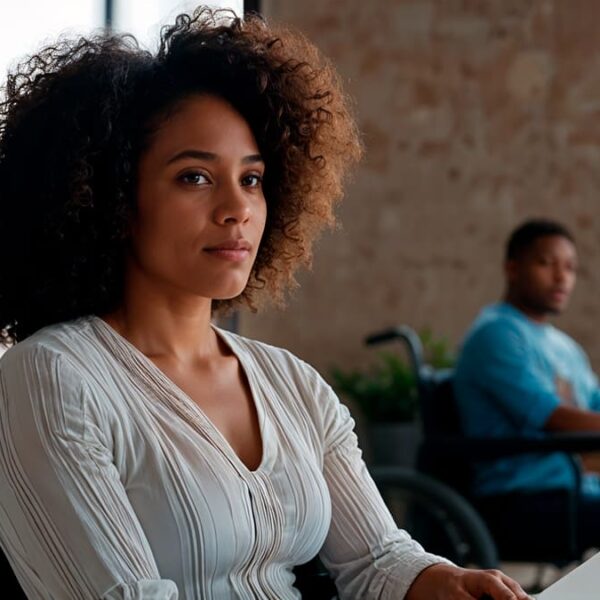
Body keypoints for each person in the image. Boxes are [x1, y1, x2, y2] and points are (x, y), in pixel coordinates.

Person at [0, 7, 529, 599]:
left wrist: (444, 580)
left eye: (251, 179)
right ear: (113, 199)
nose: (237, 208)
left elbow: (376, 559)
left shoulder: (293, 385)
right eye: (194, 177)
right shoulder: (51, 379)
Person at [454, 218, 600, 550]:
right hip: (522, 501)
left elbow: (594, 403)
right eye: (546, 263)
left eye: (571, 267)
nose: (562, 277)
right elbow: (553, 417)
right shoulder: (497, 334)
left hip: (576, 492)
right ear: (513, 268)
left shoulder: (566, 347)